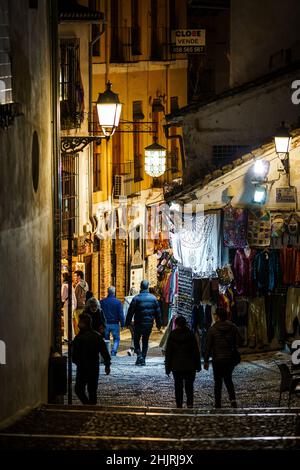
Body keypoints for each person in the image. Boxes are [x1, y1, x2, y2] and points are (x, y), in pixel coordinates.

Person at [204, 307, 242, 408]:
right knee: (228, 379)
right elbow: (240, 341)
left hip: (217, 359)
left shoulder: (213, 329)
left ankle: (217, 402)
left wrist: (206, 360)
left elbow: (208, 346)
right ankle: (233, 400)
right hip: (229, 359)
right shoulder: (233, 327)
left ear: (217, 316)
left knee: (218, 382)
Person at [72, 313, 111, 405]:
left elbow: (74, 355)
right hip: (94, 366)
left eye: (80, 322)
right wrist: (107, 365)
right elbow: (104, 352)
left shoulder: (79, 338)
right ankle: (91, 407)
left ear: (84, 323)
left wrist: (77, 362)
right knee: (92, 390)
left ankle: (88, 406)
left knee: (79, 389)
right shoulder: (97, 336)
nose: (78, 324)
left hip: (82, 367)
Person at [165, 315, 201, 408]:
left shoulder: (172, 335)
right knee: (189, 386)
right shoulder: (190, 334)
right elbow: (195, 351)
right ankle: (189, 404)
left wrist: (167, 368)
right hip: (190, 365)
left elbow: (169, 353)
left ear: (176, 324)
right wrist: (198, 365)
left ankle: (179, 404)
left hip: (176, 366)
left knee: (178, 386)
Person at [125, 280, 161, 366]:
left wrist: (127, 322)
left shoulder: (136, 298)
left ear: (141, 287)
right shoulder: (153, 299)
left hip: (138, 324)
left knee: (136, 340)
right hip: (148, 324)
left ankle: (139, 355)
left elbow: (130, 312)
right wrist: (159, 324)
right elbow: (158, 313)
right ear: (148, 287)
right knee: (145, 341)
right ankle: (143, 358)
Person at [101, 286, 124, 356]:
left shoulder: (102, 302)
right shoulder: (118, 302)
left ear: (108, 292)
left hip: (106, 323)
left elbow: (100, 313)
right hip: (115, 323)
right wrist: (122, 323)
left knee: (106, 339)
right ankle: (113, 351)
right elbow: (120, 314)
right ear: (114, 292)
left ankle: (107, 352)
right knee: (116, 339)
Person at [61, 272, 77, 342]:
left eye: (62, 277)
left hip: (68, 305)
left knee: (67, 321)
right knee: (68, 320)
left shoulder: (64, 285)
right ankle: (66, 336)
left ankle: (71, 337)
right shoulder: (71, 285)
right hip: (73, 304)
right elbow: (74, 297)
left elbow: (62, 297)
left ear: (64, 277)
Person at [123, 287, 138, 356]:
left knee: (133, 334)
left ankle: (133, 349)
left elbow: (124, 310)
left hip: (129, 320)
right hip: (136, 319)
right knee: (135, 335)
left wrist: (124, 321)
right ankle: (132, 349)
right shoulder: (137, 299)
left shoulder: (126, 300)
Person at [73, 270, 89, 335]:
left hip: (78, 306)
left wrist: (74, 307)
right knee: (83, 323)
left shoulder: (78, 285)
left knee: (78, 324)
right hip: (84, 305)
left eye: (75, 276)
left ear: (79, 276)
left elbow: (75, 297)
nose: (74, 278)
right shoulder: (86, 284)